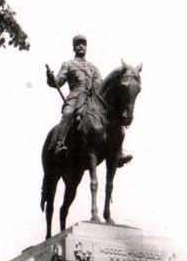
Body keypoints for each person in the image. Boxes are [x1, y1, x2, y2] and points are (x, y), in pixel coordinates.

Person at [46, 34, 132, 165]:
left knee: (114, 120)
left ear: (86, 47)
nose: (81, 46)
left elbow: (101, 85)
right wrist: (51, 79)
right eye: (78, 44)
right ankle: (59, 144)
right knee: (68, 113)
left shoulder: (93, 68)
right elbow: (58, 81)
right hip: (75, 97)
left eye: (83, 44)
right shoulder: (68, 64)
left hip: (94, 100)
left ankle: (118, 150)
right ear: (74, 48)